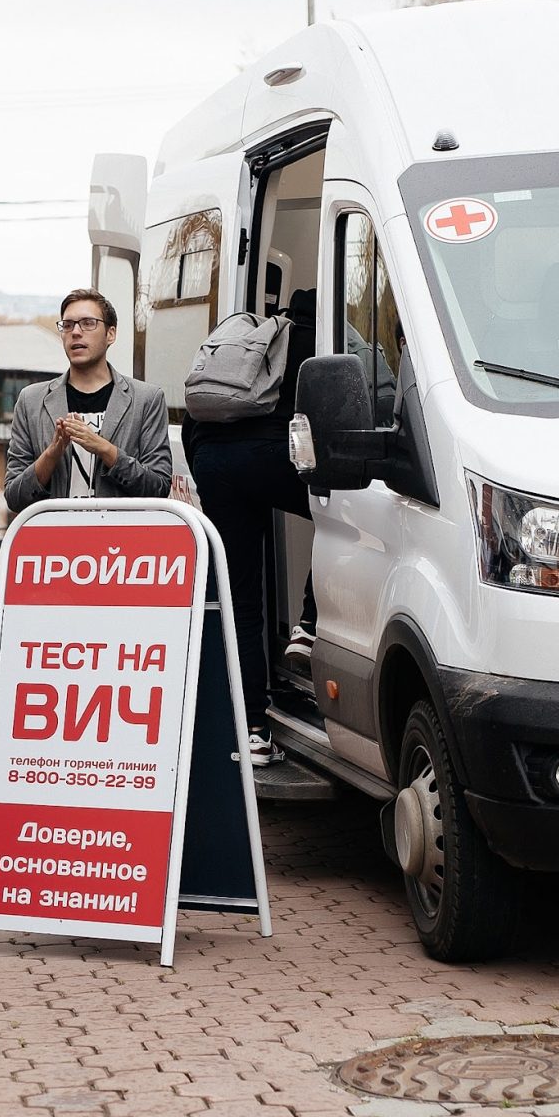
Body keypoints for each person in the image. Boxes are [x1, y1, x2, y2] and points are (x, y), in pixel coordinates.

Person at [183, 288, 320, 766]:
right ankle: (308, 625)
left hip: (213, 460)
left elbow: (195, 418)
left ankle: (254, 733)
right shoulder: (324, 342)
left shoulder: (250, 342)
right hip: (273, 456)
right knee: (346, 520)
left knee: (243, 601)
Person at [4, 288, 171, 511]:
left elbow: (158, 489)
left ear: (110, 334)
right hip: (56, 541)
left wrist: (105, 449)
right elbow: (15, 498)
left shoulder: (146, 399)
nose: (76, 332)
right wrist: (52, 455)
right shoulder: (31, 401)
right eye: (68, 325)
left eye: (88, 323)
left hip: (120, 541)